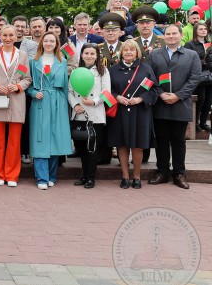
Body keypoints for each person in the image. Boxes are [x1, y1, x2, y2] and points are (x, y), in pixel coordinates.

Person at [147, 24, 201, 189]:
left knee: (178, 141)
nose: (171, 36)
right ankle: (162, 171)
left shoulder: (191, 55)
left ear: (180, 35)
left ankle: (179, 173)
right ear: (164, 36)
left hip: (180, 104)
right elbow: (149, 78)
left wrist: (178, 95)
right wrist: (161, 94)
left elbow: (194, 78)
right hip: (160, 104)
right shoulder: (154, 55)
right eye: (168, 34)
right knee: (161, 140)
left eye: (174, 33)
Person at [108, 40, 158, 189]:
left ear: (137, 52)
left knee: (138, 146)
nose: (129, 52)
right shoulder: (113, 69)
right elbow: (106, 90)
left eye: (132, 50)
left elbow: (155, 90)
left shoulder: (146, 69)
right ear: (121, 52)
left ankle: (137, 177)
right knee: (122, 145)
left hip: (140, 111)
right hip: (120, 112)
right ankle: (124, 176)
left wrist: (141, 99)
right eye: (126, 50)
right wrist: (116, 97)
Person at [0, 25, 32, 187]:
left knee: (14, 141)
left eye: (11, 35)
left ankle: (12, 175)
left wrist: (18, 86)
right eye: (4, 35)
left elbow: (27, 78)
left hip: (16, 100)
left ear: (16, 36)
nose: (8, 38)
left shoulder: (23, 55)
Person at [27, 32, 71, 190]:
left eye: (52, 41)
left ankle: (52, 176)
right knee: (40, 138)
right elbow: (28, 83)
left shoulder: (62, 61)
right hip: (41, 101)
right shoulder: (33, 62)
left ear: (57, 43)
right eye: (46, 40)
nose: (49, 43)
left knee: (55, 139)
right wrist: (33, 93)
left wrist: (65, 107)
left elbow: (65, 87)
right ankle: (42, 177)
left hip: (58, 102)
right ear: (41, 43)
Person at [69, 43, 111, 189]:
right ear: (81, 55)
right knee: (80, 147)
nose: (89, 56)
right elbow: (70, 91)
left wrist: (93, 101)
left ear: (97, 56)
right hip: (79, 114)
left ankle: (90, 177)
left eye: (92, 54)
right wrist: (75, 105)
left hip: (95, 115)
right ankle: (83, 175)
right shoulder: (76, 71)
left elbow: (106, 93)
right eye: (86, 53)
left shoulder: (103, 71)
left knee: (92, 148)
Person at [185, 21, 212, 132]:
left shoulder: (209, 44)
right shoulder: (190, 45)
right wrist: (202, 61)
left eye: (205, 29)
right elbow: (189, 60)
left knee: (208, 101)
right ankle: (195, 123)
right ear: (196, 31)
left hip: (209, 75)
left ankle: (203, 122)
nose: (203, 31)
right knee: (201, 99)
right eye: (200, 29)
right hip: (198, 76)